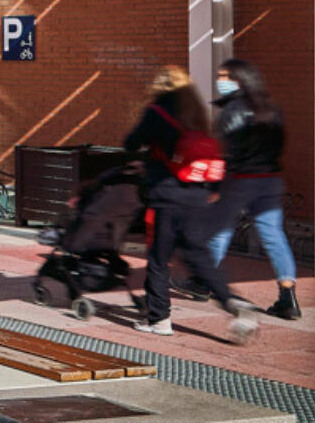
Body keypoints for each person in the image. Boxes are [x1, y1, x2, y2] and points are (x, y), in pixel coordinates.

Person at [122, 66, 256, 343]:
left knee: (159, 259)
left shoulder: (157, 111)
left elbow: (131, 143)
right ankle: (232, 301)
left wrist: (147, 158)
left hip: (168, 196)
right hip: (198, 195)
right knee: (198, 256)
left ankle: (159, 319)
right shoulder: (196, 112)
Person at [202, 59, 301, 320]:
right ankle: (287, 296)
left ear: (240, 79)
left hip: (240, 180)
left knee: (219, 229)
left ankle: (205, 280)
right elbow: (278, 146)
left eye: (226, 75)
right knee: (273, 235)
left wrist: (214, 186)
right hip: (269, 179)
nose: (220, 80)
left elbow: (226, 153)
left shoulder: (232, 111)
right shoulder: (270, 109)